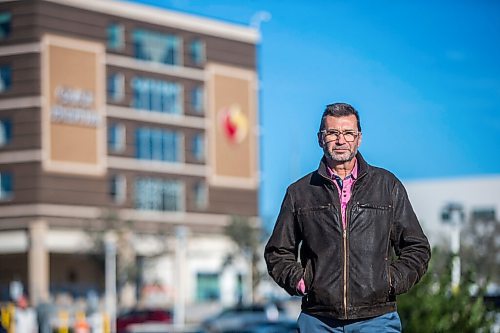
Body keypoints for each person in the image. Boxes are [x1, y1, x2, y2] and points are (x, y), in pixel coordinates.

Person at [264, 103, 431, 332]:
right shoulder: (299, 193)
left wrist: (390, 281)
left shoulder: (387, 186)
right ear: (320, 139)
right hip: (318, 320)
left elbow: (417, 247)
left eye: (348, 133)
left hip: (377, 318)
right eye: (332, 133)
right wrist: (301, 281)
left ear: (359, 138)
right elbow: (277, 253)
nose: (341, 140)